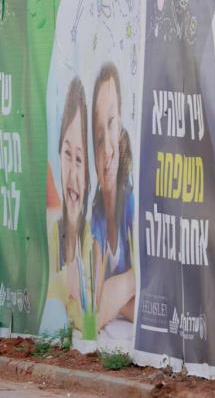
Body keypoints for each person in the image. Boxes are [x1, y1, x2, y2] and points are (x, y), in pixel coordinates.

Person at [41, 77, 93, 337]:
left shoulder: (95, 240)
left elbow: (91, 321)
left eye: (81, 159)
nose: (72, 176)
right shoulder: (54, 234)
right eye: (67, 154)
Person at [90, 62, 135, 331]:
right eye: (97, 138)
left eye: (112, 124)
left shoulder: (133, 203)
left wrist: (118, 289)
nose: (106, 147)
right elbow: (95, 310)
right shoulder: (96, 215)